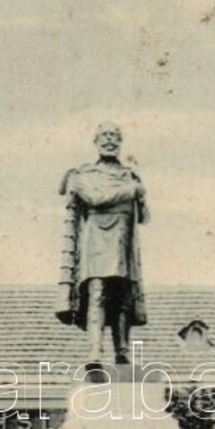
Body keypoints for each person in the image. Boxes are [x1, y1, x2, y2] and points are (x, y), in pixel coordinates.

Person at [56, 122, 149, 364]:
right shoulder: (83, 175)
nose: (110, 141)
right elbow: (95, 198)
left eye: (115, 136)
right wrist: (131, 191)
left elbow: (145, 218)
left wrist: (140, 195)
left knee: (122, 296)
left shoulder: (129, 175)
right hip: (96, 238)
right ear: (95, 142)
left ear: (120, 142)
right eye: (105, 136)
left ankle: (122, 351)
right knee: (97, 291)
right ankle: (95, 351)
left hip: (124, 240)